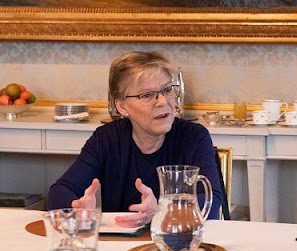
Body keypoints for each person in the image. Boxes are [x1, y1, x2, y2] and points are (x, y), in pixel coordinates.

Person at [48, 51, 222, 225]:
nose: (162, 101)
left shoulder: (194, 137)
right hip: (119, 246)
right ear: (122, 107)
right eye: (147, 95)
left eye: (167, 90)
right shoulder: (107, 138)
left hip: (178, 243)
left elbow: (211, 202)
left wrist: (161, 212)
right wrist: (76, 208)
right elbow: (59, 191)